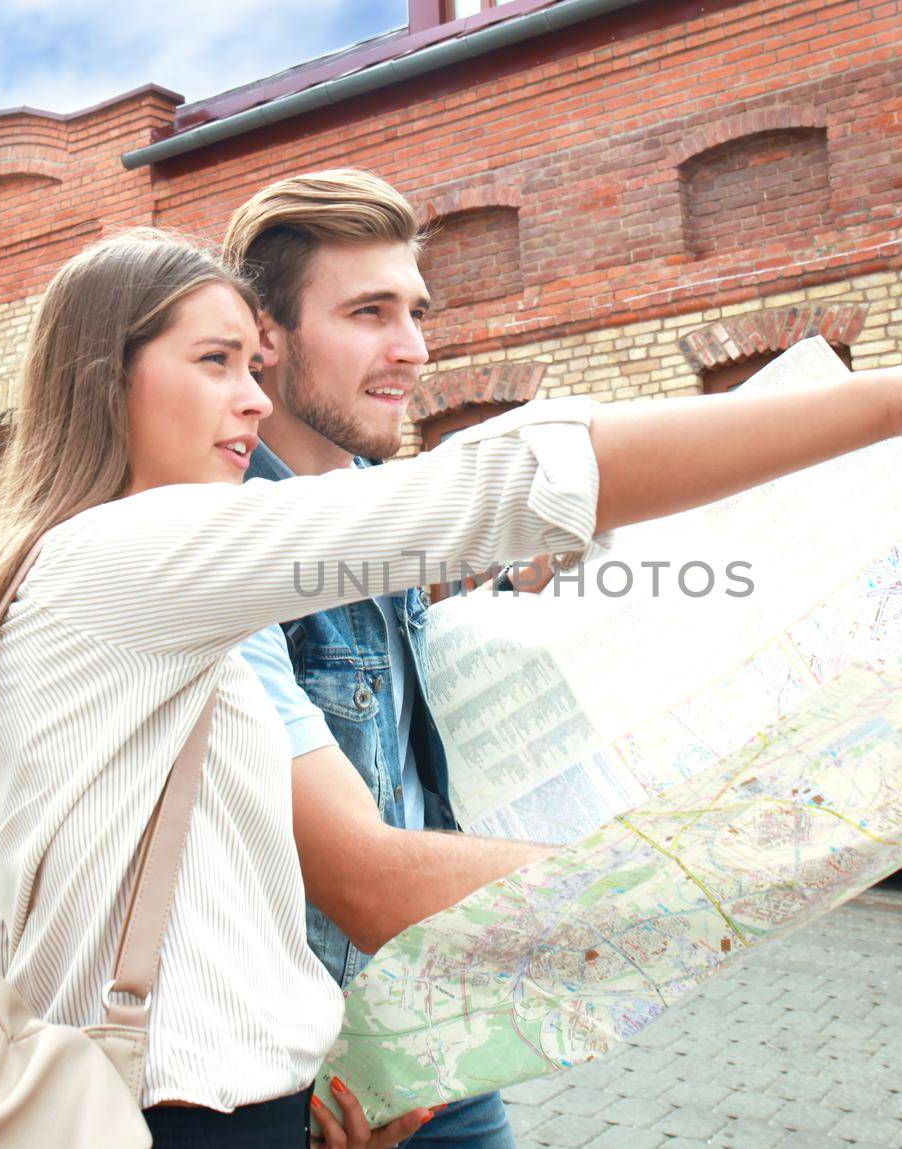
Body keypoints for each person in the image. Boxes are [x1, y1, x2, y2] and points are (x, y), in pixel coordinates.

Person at [0, 222, 902, 1149]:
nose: (252, 399)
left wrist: (330, 1046)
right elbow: (499, 485)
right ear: (104, 376)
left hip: (206, 1096)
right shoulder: (122, 556)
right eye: (217, 361)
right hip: (181, 1114)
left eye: (256, 367)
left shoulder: (87, 585)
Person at [226, 171, 551, 1148]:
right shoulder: (228, 541)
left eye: (414, 311)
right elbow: (351, 873)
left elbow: (392, 725)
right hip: (310, 1077)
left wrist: (517, 599)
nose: (410, 348)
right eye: (369, 312)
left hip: (430, 1034)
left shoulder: (382, 501)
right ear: (264, 336)